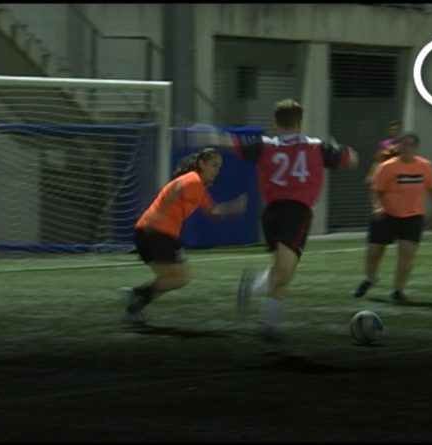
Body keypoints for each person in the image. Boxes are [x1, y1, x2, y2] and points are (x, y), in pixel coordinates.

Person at [224, 99, 359, 343]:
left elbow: (233, 145)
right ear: (299, 122)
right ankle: (263, 311)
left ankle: (266, 315)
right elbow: (351, 160)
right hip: (297, 212)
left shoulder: (264, 145)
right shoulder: (316, 146)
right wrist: (341, 147)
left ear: (275, 123)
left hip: (271, 212)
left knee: (283, 266)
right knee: (285, 271)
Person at [123, 147, 247, 325]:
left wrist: (232, 207)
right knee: (179, 278)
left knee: (169, 279)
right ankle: (138, 294)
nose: (217, 171)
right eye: (214, 165)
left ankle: (135, 307)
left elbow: (212, 211)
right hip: (159, 233)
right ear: (202, 164)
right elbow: (178, 188)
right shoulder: (193, 180)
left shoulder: (198, 187)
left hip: (144, 232)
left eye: (219, 167)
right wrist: (164, 208)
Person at [352, 132, 432, 303]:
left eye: (410, 145)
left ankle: (398, 290)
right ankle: (370, 278)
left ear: (416, 147)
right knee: (374, 252)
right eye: (403, 145)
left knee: (407, 254)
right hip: (386, 215)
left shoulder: (425, 166)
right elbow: (375, 191)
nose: (406, 148)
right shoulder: (387, 167)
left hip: (413, 217)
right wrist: (377, 207)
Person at [365, 119, 402, 185]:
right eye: (392, 129)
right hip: (386, 173)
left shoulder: (404, 144)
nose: (394, 132)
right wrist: (370, 175)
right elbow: (377, 160)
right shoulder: (384, 144)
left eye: (396, 129)